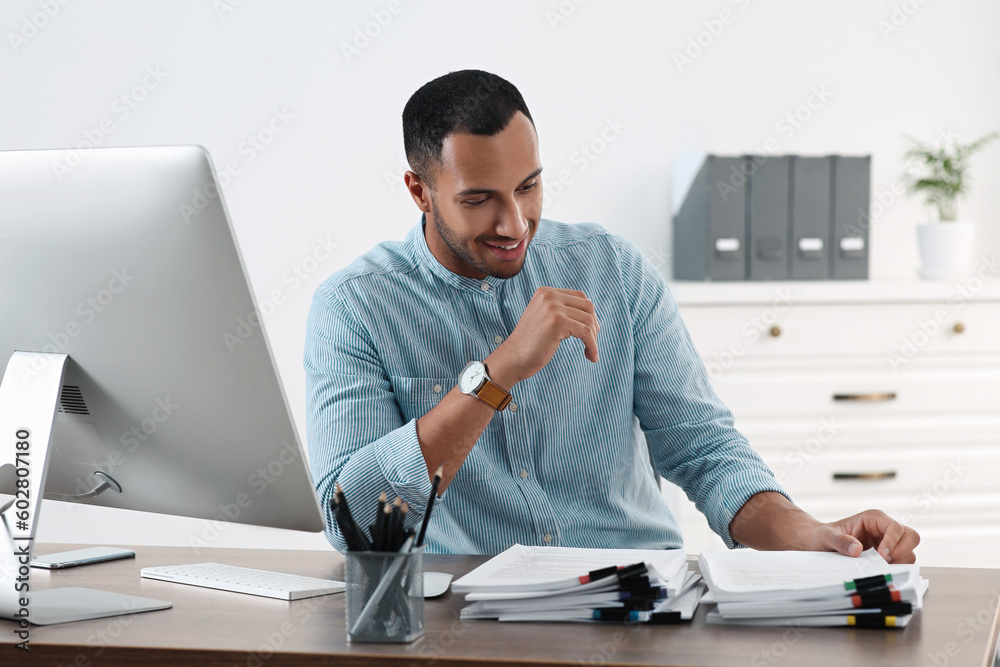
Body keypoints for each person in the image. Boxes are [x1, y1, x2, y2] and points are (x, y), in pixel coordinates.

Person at [305, 69, 919, 562]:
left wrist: (809, 533)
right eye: (478, 199)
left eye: (528, 186)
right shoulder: (354, 307)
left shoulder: (612, 269)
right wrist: (494, 376)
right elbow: (352, 518)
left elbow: (705, 451)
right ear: (419, 191)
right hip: (465, 619)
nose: (514, 223)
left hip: (637, 598)